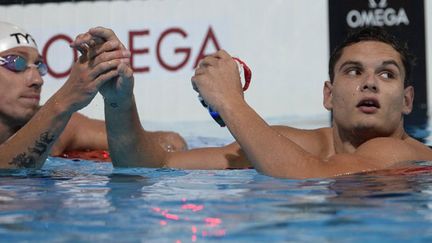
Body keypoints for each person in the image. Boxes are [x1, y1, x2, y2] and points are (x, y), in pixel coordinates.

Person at [75, 26, 432, 179]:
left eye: (387, 74)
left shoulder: (401, 153)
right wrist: (119, 100)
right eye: (353, 71)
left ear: (407, 100)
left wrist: (231, 103)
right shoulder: (296, 144)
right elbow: (151, 163)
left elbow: (315, 176)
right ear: (328, 94)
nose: (370, 82)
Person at [0, 21, 186, 169]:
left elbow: (171, 142)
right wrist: (65, 99)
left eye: (39, 66)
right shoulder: (56, 115)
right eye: (16, 63)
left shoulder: (63, 127)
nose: (37, 80)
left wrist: (119, 101)